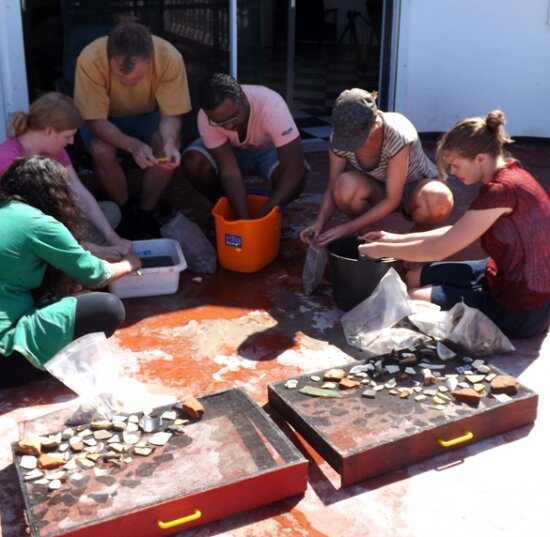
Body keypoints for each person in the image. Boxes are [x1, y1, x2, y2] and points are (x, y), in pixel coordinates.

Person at [358, 110, 550, 339]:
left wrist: (380, 250)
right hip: (503, 275)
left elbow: (442, 248)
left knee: (415, 296)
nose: (452, 172)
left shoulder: (501, 191)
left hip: (523, 309)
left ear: (480, 159)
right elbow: (459, 231)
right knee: (413, 277)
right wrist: (394, 239)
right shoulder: (511, 175)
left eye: (456, 165)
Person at [0, 156, 142, 389]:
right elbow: (95, 275)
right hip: (6, 357)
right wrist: (130, 264)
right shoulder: (38, 222)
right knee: (107, 307)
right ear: (55, 195)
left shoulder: (8, 211)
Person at [73, 19, 191, 235]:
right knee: (101, 149)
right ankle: (125, 211)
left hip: (147, 114)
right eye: (120, 77)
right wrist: (133, 145)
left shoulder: (169, 57)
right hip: (104, 117)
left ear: (151, 58)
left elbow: (171, 114)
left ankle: (146, 211)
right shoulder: (90, 59)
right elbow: (95, 120)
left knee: (167, 147)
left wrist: (169, 143)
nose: (128, 83)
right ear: (110, 57)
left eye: (137, 77)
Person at [300, 88, 454, 247]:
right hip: (378, 188)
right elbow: (332, 187)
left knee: (439, 200)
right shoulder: (339, 140)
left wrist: (347, 228)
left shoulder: (397, 134)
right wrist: (318, 224)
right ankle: (368, 241)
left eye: (356, 139)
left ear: (375, 124)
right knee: (343, 187)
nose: (351, 144)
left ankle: (411, 246)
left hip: (415, 189)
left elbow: (392, 200)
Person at [0, 92, 132, 261]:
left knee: (111, 211)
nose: (70, 142)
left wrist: (114, 238)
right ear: (49, 131)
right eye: (67, 136)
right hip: (23, 232)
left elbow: (79, 193)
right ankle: (81, 255)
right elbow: (35, 225)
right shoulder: (8, 161)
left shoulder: (55, 150)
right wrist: (93, 249)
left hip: (53, 223)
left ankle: (78, 253)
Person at [181, 73, 307, 219]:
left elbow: (294, 171)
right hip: (231, 151)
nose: (228, 126)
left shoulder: (271, 104)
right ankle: (226, 208)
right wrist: (243, 220)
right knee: (194, 162)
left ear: (242, 97)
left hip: (267, 149)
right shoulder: (206, 117)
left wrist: (262, 216)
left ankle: (273, 214)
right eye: (220, 123)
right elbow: (229, 172)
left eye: (233, 116)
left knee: (296, 180)